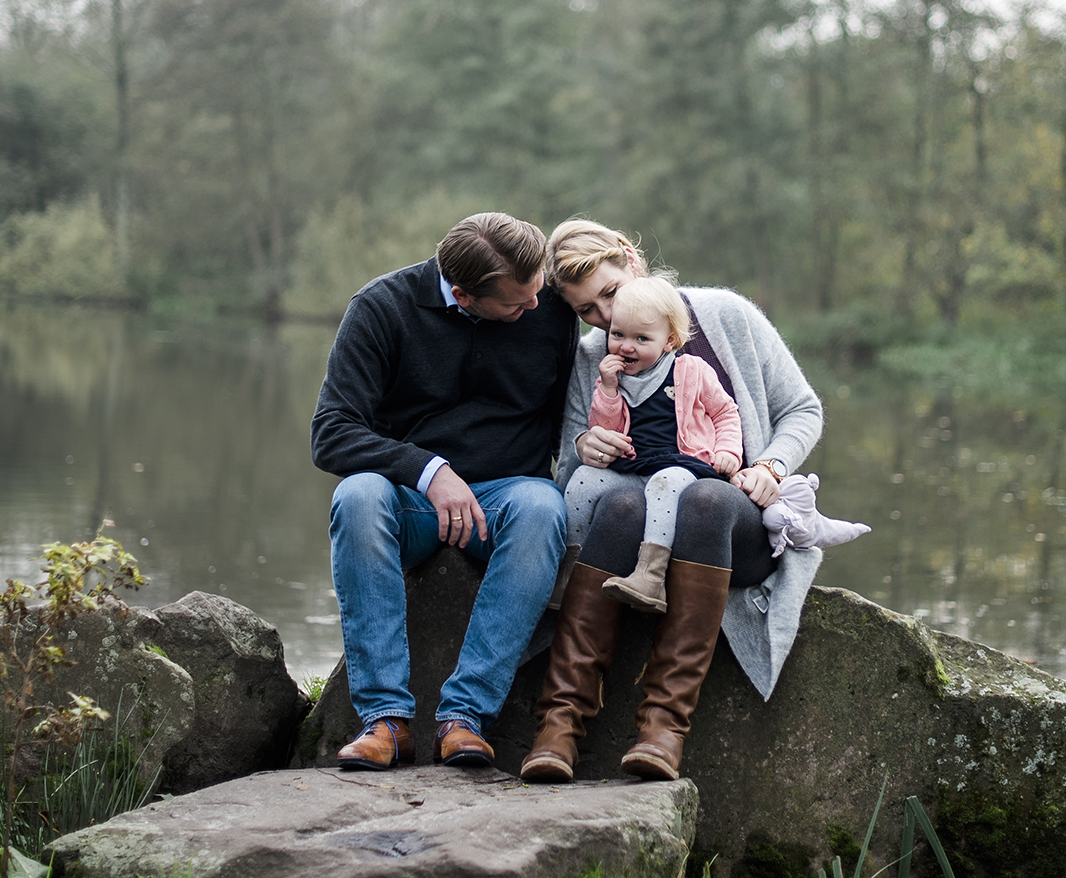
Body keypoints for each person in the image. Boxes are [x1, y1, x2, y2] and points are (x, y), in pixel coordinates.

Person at [521, 220, 827, 784]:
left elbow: (803, 410)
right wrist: (586, 445)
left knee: (706, 499)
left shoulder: (725, 316)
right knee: (616, 506)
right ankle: (558, 725)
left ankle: (663, 727)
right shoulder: (596, 357)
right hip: (637, 520)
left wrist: (770, 465)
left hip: (732, 516)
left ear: (633, 262)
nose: (608, 320)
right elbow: (569, 469)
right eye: (588, 311)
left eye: (610, 293)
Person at [310, 212, 573, 772]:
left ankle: (463, 718)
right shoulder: (383, 307)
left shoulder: (547, 305)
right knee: (357, 496)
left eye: (537, 294)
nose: (534, 309)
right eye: (516, 304)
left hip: (507, 498)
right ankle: (386, 721)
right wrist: (429, 471)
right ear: (462, 294)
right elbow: (331, 433)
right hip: (409, 501)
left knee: (543, 507)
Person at [566, 275, 743, 614]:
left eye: (641, 338)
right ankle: (572, 565)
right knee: (583, 480)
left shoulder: (690, 370)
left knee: (667, 483)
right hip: (632, 467)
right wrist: (606, 390)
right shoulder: (613, 379)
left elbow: (725, 412)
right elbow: (603, 429)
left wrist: (727, 451)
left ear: (669, 341)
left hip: (681, 465)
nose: (626, 346)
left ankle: (650, 574)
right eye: (617, 335)